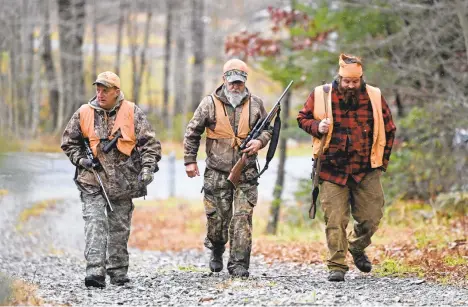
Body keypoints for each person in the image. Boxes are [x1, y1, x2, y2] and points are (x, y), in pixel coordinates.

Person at [297, 54, 397, 282]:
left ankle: (357, 246)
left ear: (361, 78)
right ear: (339, 78)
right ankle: (337, 265)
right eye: (346, 81)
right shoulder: (321, 94)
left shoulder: (374, 96)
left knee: (371, 217)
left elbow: (389, 128)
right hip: (332, 168)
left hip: (366, 168)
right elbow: (302, 118)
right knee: (335, 219)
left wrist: (382, 161)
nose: (351, 86)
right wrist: (316, 126)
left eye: (355, 81)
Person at [61, 71, 161, 288]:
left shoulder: (132, 112)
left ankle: (118, 273)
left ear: (116, 92)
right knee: (95, 224)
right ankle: (95, 273)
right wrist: (81, 160)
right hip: (92, 180)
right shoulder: (84, 113)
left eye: (105, 90)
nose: (100, 94)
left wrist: (147, 169)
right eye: (98, 89)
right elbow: (69, 143)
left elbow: (150, 145)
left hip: (123, 183)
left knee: (119, 228)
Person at [183, 59, 272, 278]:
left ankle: (239, 264)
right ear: (224, 80)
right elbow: (192, 132)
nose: (235, 86)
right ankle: (217, 247)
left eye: (239, 83)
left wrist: (259, 142)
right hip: (216, 171)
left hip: (247, 172)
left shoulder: (256, 104)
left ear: (245, 82)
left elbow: (268, 130)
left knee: (242, 217)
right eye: (231, 82)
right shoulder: (208, 104)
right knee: (217, 220)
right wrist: (189, 160)